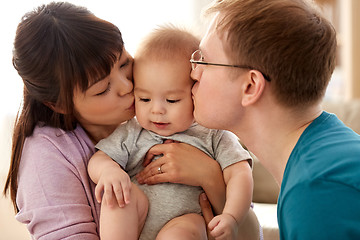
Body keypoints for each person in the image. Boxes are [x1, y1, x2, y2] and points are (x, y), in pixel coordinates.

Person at [2, 2, 261, 240]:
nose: (128, 87)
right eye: (103, 89)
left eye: (125, 63)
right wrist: (110, 172)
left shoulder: (176, 115)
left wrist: (209, 176)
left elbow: (248, 233)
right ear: (59, 104)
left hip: (186, 226)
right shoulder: (47, 155)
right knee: (119, 198)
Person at [188, 0, 360, 239]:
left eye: (204, 61)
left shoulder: (317, 190)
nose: (193, 72)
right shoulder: (327, 152)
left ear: (250, 86)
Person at [88, 25, 253, 240]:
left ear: (196, 90)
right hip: (137, 218)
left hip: (186, 218)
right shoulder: (133, 131)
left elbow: (240, 174)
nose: (156, 110)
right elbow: (99, 158)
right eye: (144, 99)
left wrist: (232, 216)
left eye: (172, 100)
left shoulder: (213, 133)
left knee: (184, 231)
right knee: (118, 199)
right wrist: (108, 171)